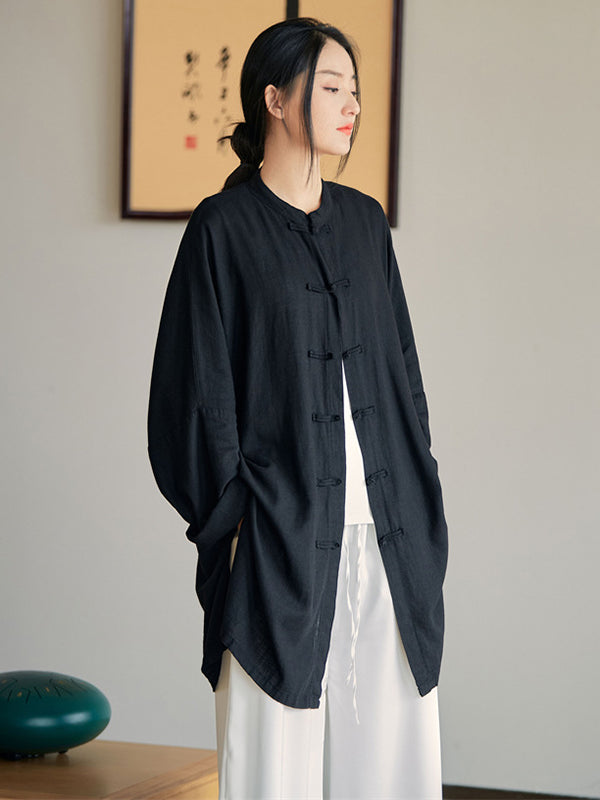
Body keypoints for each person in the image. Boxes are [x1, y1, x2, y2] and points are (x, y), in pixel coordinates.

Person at [148, 17, 448, 800]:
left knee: (390, 766)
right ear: (275, 99)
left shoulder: (364, 222)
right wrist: (235, 520)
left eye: (356, 90)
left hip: (387, 538)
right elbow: (191, 397)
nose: (353, 105)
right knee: (271, 769)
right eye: (333, 87)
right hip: (275, 544)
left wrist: (421, 490)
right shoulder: (223, 229)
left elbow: (406, 378)